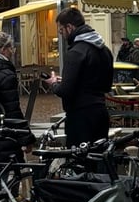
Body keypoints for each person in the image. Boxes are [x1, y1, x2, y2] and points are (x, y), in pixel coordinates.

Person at [43, 8, 113, 147]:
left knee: (79, 157)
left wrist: (53, 83)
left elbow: (65, 91)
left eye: (61, 30)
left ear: (69, 27)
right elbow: (106, 85)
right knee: (98, 155)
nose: (61, 35)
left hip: (80, 116)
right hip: (100, 112)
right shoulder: (105, 50)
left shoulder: (76, 52)